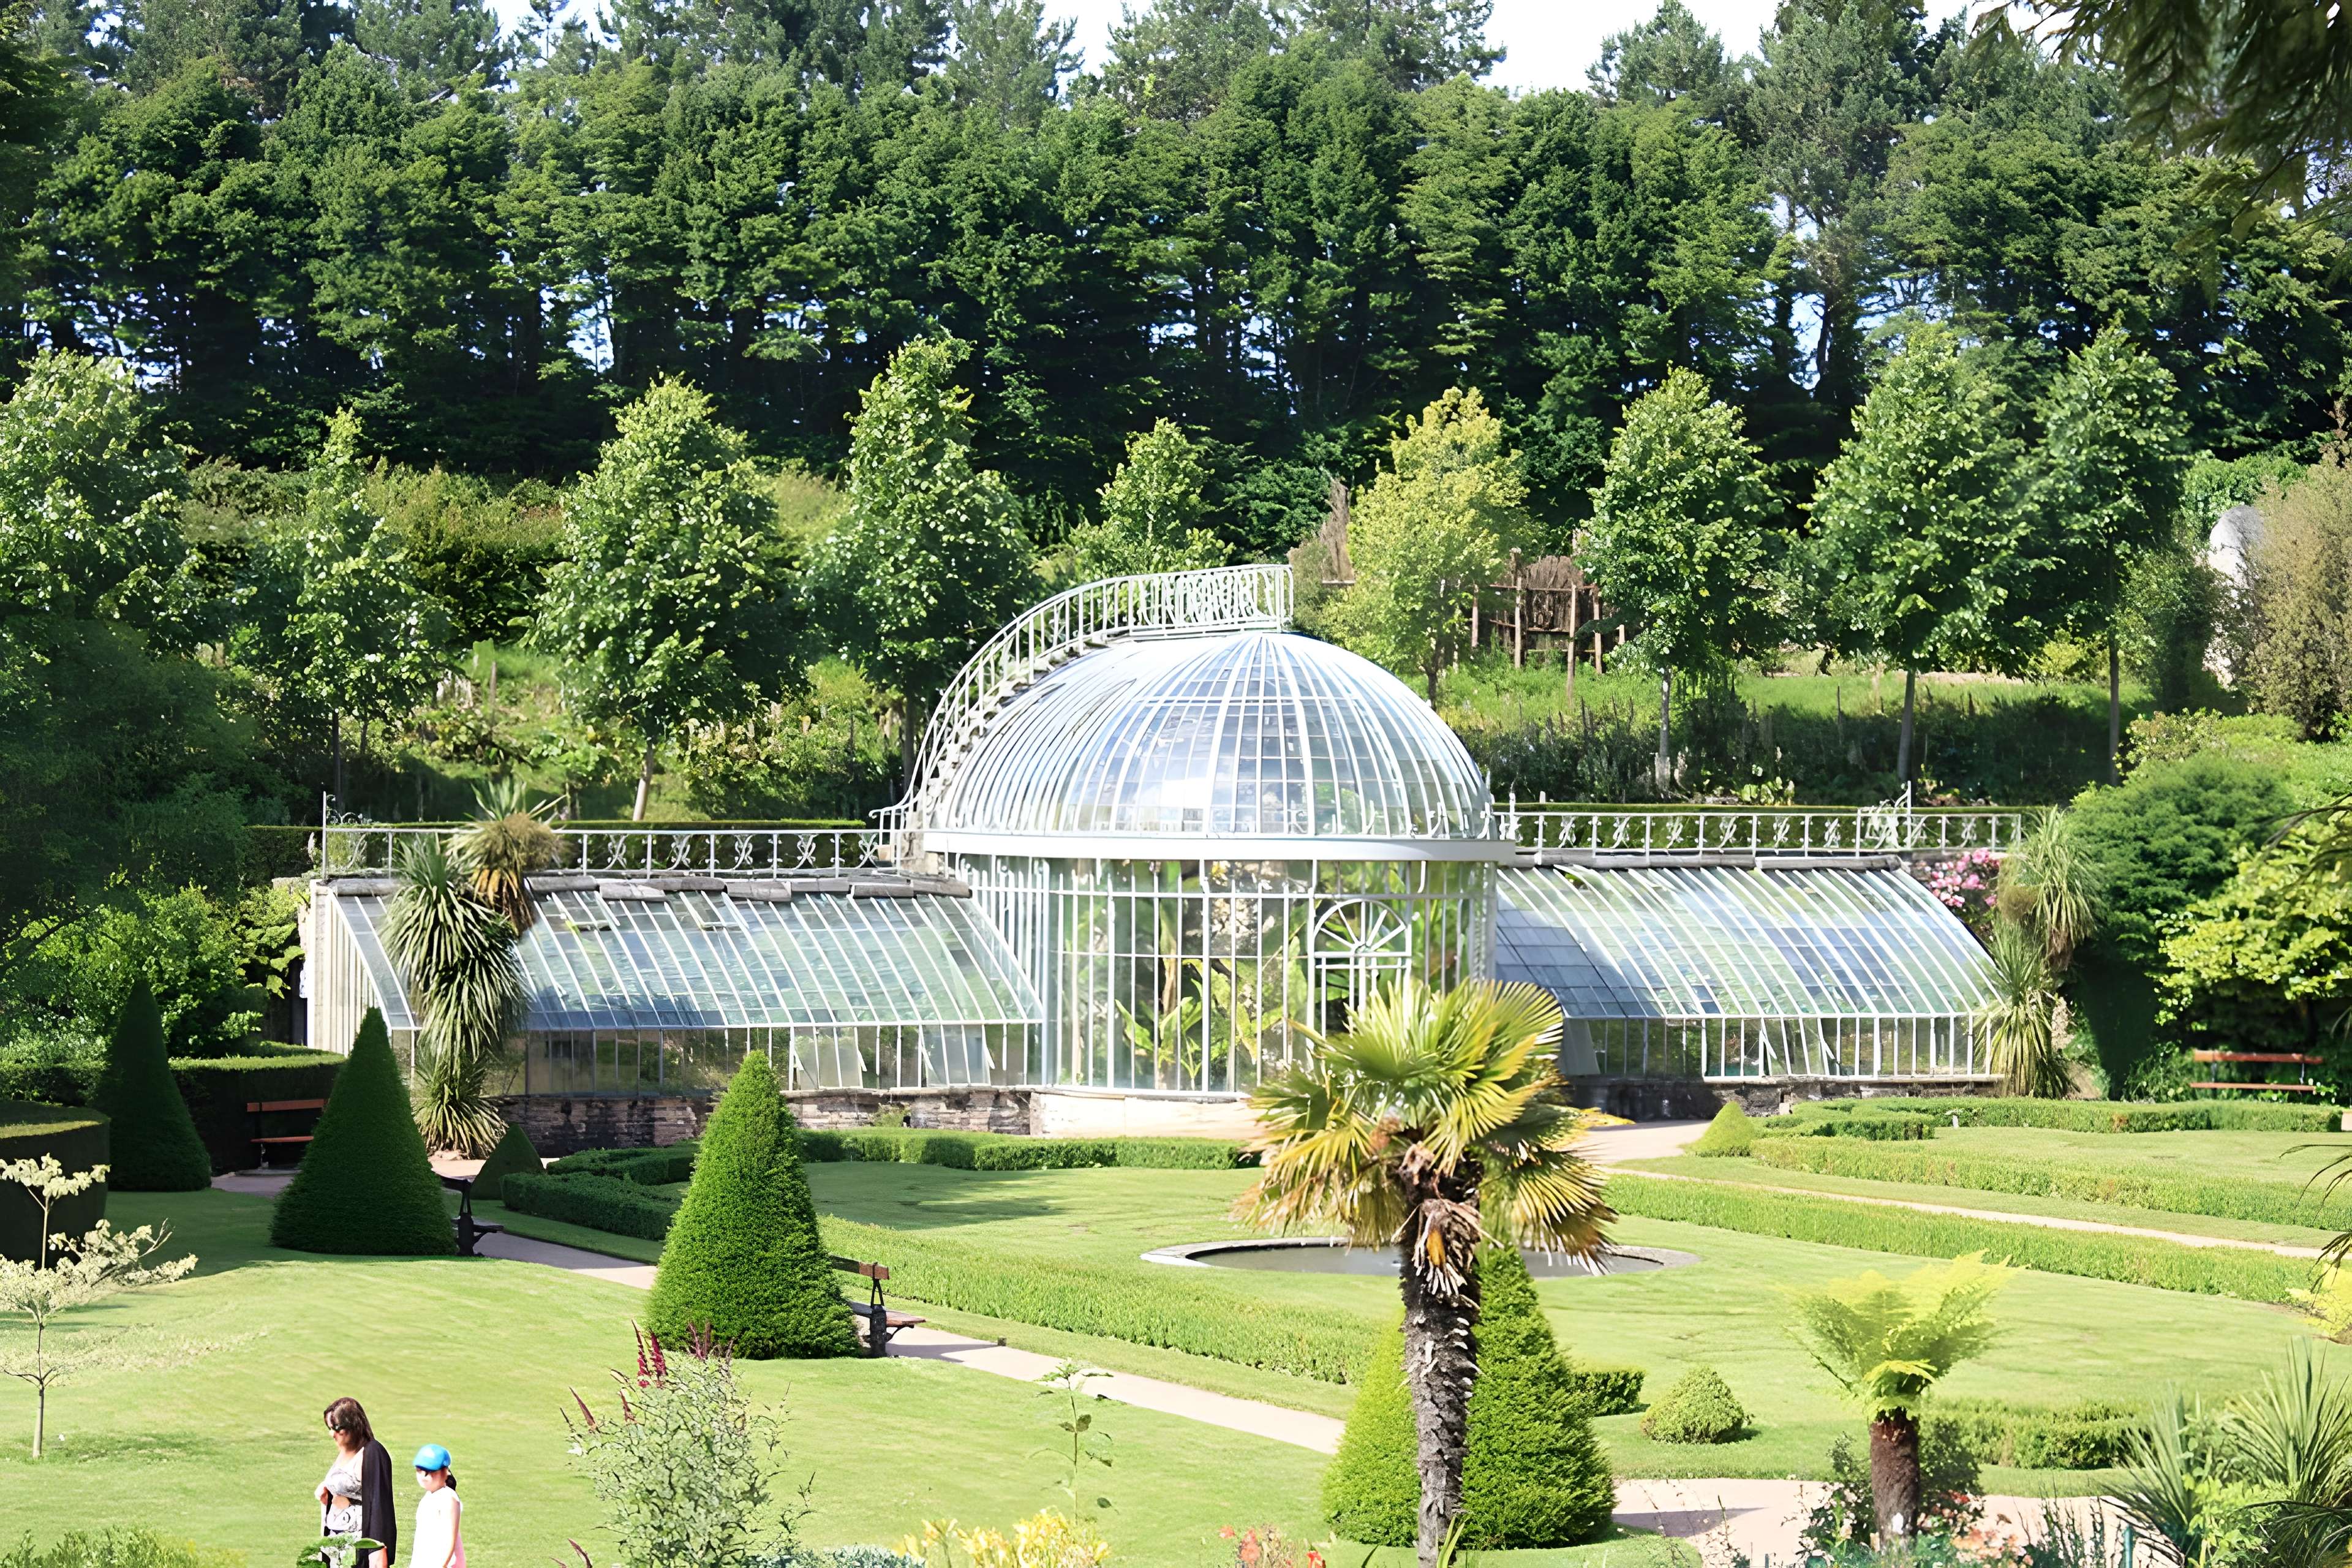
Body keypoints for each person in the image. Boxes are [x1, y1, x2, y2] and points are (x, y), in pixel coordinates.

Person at [318, 1398, 396, 1568]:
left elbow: (379, 1510)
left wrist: (377, 1558)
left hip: (357, 1551)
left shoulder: (373, 1453)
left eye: (337, 1428)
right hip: (337, 1551)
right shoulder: (346, 1452)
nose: (332, 1434)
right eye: (330, 1428)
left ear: (353, 1426)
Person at [410, 1444, 466, 1568]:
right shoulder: (429, 1497)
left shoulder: (448, 1498)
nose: (424, 1477)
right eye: (419, 1471)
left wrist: (443, 1565)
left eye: (430, 1472)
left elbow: (450, 1539)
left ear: (445, 1472)